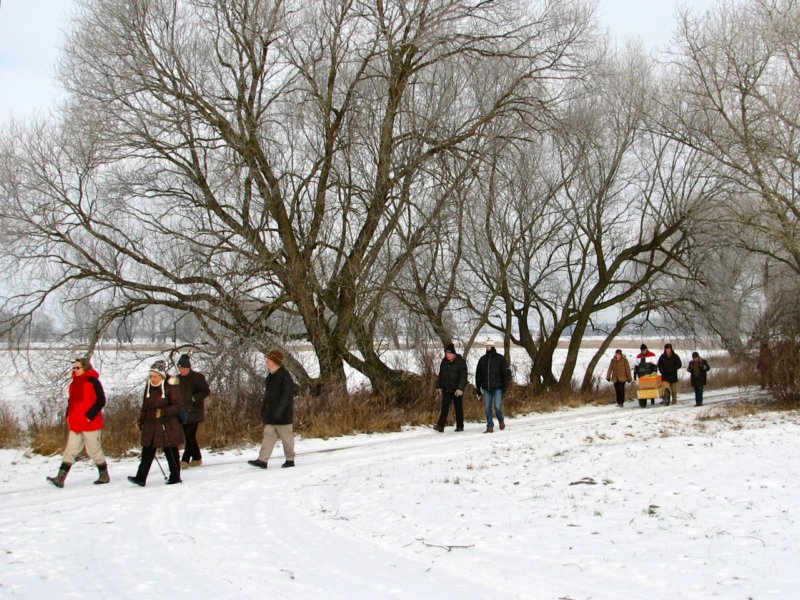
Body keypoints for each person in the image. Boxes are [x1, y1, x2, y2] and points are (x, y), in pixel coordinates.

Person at [47, 358, 109, 488]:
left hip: (91, 423)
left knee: (93, 451)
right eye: (74, 368)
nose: (75, 370)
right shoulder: (74, 383)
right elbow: (71, 402)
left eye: (77, 368)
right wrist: (68, 415)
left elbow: (101, 401)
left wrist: (89, 416)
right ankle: (60, 478)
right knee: (70, 450)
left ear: (85, 368)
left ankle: (104, 475)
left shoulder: (93, 381)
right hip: (76, 422)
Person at [128, 360, 184, 486]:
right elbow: (145, 405)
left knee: (170, 450)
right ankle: (140, 478)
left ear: (162, 375)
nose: (152, 379)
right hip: (151, 423)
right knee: (147, 450)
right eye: (151, 376)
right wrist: (141, 420)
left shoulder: (171, 385)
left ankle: (175, 476)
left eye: (155, 376)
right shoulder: (148, 386)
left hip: (167, 424)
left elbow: (178, 405)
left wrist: (164, 411)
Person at [248, 350, 296, 469]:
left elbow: (286, 396)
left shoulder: (284, 376)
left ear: (275, 362)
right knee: (268, 436)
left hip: (282, 415)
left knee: (287, 439)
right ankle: (262, 460)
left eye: (269, 360)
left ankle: (290, 460)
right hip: (271, 414)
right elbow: (269, 396)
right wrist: (266, 410)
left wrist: (279, 412)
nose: (267, 362)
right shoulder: (272, 375)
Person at [176, 354, 211, 468]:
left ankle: (185, 460)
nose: (181, 370)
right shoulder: (177, 379)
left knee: (190, 436)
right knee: (188, 436)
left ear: (188, 367)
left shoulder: (197, 377)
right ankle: (197, 458)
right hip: (182, 412)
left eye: (183, 368)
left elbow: (206, 391)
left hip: (194, 411)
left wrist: (194, 398)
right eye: (179, 368)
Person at [475, 338, 512, 433]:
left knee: (498, 407)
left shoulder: (500, 359)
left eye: (489, 345)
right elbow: (478, 374)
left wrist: (504, 387)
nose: (487, 347)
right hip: (486, 389)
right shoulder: (482, 360)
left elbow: (507, 374)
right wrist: (478, 388)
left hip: (498, 388)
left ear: (493, 346)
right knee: (487, 408)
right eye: (486, 346)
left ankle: (501, 420)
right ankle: (490, 426)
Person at [434, 343, 468, 432]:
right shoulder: (444, 361)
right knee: (444, 407)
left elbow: (463, 376)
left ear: (454, 354)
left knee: (458, 408)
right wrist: (439, 386)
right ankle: (440, 426)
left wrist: (460, 388)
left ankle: (460, 426)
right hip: (446, 388)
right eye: (446, 354)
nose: (448, 355)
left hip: (457, 390)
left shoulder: (460, 361)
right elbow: (441, 374)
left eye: (449, 354)